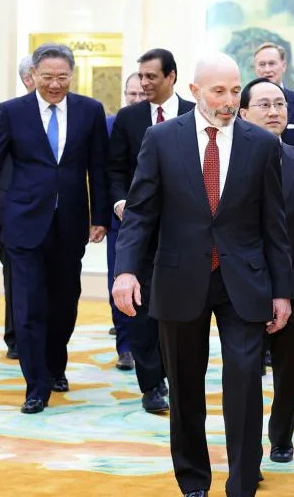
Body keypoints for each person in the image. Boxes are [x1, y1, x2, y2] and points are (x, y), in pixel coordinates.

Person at [112, 53, 293, 497]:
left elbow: (275, 225)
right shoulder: (160, 139)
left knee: (246, 382)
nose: (229, 100)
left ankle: (243, 482)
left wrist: (283, 291)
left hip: (244, 281)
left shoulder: (261, 144)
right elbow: (140, 214)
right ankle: (193, 480)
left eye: (235, 91)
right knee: (186, 386)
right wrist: (126, 272)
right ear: (194, 91)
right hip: (179, 277)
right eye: (219, 91)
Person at [0, 43, 110, 414]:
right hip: (22, 223)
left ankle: (55, 366)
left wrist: (101, 216)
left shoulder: (89, 111)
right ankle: (37, 385)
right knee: (28, 306)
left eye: (62, 77)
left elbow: (99, 166)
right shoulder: (12, 112)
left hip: (70, 223)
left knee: (64, 303)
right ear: (33, 76)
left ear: (71, 76)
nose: (55, 84)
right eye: (47, 77)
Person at [107, 48, 195, 412]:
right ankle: (151, 384)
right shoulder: (128, 118)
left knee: (179, 307)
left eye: (151, 77)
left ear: (171, 76)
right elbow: (113, 170)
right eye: (140, 77)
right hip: (139, 229)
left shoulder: (194, 113)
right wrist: (117, 202)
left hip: (185, 231)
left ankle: (179, 375)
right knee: (141, 311)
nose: (144, 84)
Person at [240, 77, 294, 463]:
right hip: (243, 283)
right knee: (244, 371)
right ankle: (247, 446)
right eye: (264, 105)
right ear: (242, 113)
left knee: (291, 369)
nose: (274, 112)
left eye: (280, 104)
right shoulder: (228, 164)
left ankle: (281, 435)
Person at [0, 57, 36, 359]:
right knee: (16, 281)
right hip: (12, 215)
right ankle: (15, 337)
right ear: (28, 78)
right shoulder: (11, 114)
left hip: (53, 216)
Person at [104, 70, 144, 353]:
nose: (137, 98)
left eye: (142, 93)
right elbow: (104, 172)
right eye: (132, 94)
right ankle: (125, 346)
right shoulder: (110, 124)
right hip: (121, 217)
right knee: (119, 279)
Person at [253, 42, 294, 156]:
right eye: (262, 64)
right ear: (255, 68)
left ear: (283, 66)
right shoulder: (243, 105)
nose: (267, 69)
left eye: (272, 63)